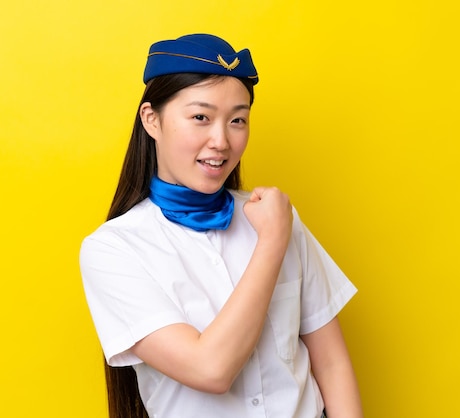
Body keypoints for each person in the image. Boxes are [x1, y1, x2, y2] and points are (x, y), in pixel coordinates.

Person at [80, 33, 363, 418]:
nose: (221, 141)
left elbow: (332, 365)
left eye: (237, 120)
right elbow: (210, 370)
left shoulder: (276, 216)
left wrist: (279, 231)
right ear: (152, 119)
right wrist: (272, 243)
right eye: (201, 117)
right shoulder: (114, 249)